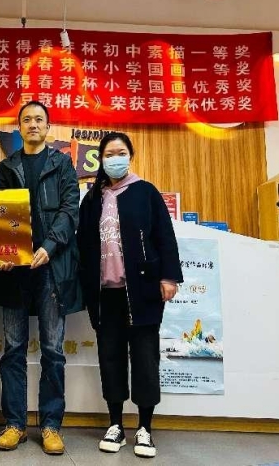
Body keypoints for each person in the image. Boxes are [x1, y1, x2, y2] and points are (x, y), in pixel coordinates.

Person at [77, 131, 182, 459]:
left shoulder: (146, 192)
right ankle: (115, 424)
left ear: (130, 156)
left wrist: (169, 276)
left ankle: (145, 427)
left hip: (142, 292)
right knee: (110, 358)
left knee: (145, 359)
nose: (115, 159)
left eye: (120, 153)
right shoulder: (92, 199)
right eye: (108, 154)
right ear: (100, 159)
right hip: (105, 295)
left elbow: (164, 236)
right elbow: (83, 246)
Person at [0, 101, 81, 456]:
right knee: (13, 349)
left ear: (47, 127)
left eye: (38, 119)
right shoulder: (6, 167)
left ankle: (50, 425)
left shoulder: (62, 164)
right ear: (19, 127)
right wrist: (1, 250)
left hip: (52, 270)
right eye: (26, 119)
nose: (32, 124)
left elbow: (70, 211)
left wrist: (49, 246)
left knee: (53, 350)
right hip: (15, 272)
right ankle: (15, 423)